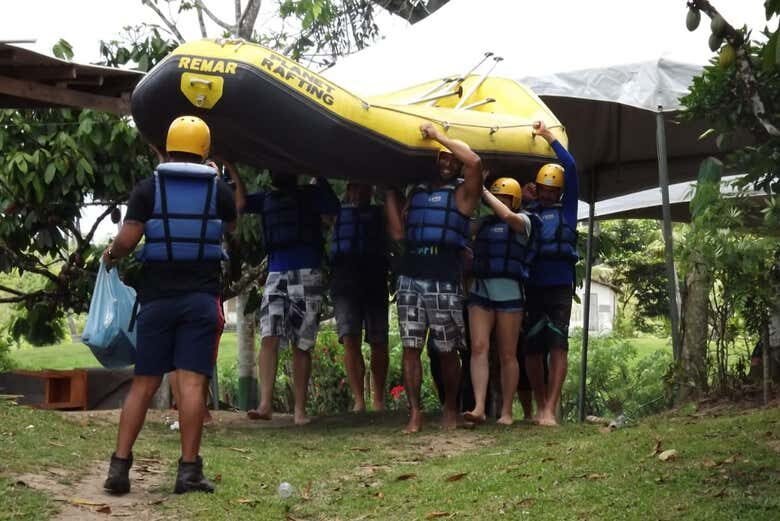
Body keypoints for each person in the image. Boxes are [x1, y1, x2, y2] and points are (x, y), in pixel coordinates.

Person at [102, 116, 236, 494]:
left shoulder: (148, 189)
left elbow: (127, 241)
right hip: (200, 299)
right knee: (191, 384)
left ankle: (119, 468)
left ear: (167, 146)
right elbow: (231, 228)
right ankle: (189, 471)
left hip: (157, 300)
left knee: (143, 384)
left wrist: (110, 255)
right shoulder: (219, 192)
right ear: (205, 150)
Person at [385, 122, 483, 433]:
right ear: (435, 161)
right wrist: (385, 186)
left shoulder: (465, 194)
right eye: (442, 158)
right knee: (410, 347)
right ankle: (415, 413)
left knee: (446, 350)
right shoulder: (417, 193)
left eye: (451, 159)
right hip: (411, 277)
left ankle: (451, 407)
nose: (447, 163)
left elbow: (476, 163)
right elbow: (399, 232)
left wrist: (440, 136)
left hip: (444, 279)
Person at [227, 166, 338, 425]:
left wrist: (319, 173)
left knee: (302, 342)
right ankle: (265, 404)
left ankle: (299, 410)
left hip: (307, 271)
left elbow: (334, 208)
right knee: (268, 335)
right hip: (276, 273)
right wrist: (230, 166)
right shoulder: (266, 199)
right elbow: (240, 203)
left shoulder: (311, 194)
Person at [465, 177, 536, 426]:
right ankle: (479, 406)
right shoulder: (483, 223)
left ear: (514, 200)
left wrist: (484, 191)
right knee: (479, 347)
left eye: (503, 198)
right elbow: (462, 226)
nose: (497, 202)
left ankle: (507, 411)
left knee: (508, 353)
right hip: (481, 289)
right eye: (496, 196)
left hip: (509, 293)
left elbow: (508, 217)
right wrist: (474, 190)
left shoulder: (525, 221)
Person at [523, 120, 578, 426]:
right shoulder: (529, 211)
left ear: (559, 192)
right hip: (533, 284)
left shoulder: (567, 210)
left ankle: (550, 409)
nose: (546, 195)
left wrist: (548, 137)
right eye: (542, 190)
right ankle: (541, 403)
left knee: (557, 344)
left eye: (551, 191)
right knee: (532, 346)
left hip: (559, 285)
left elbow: (570, 165)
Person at [330, 182, 390, 412]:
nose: (359, 193)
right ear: (347, 190)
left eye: (363, 188)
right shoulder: (336, 212)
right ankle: (358, 400)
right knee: (349, 338)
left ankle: (379, 399)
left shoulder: (380, 212)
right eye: (354, 189)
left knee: (379, 341)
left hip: (374, 277)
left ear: (371, 190)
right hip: (344, 279)